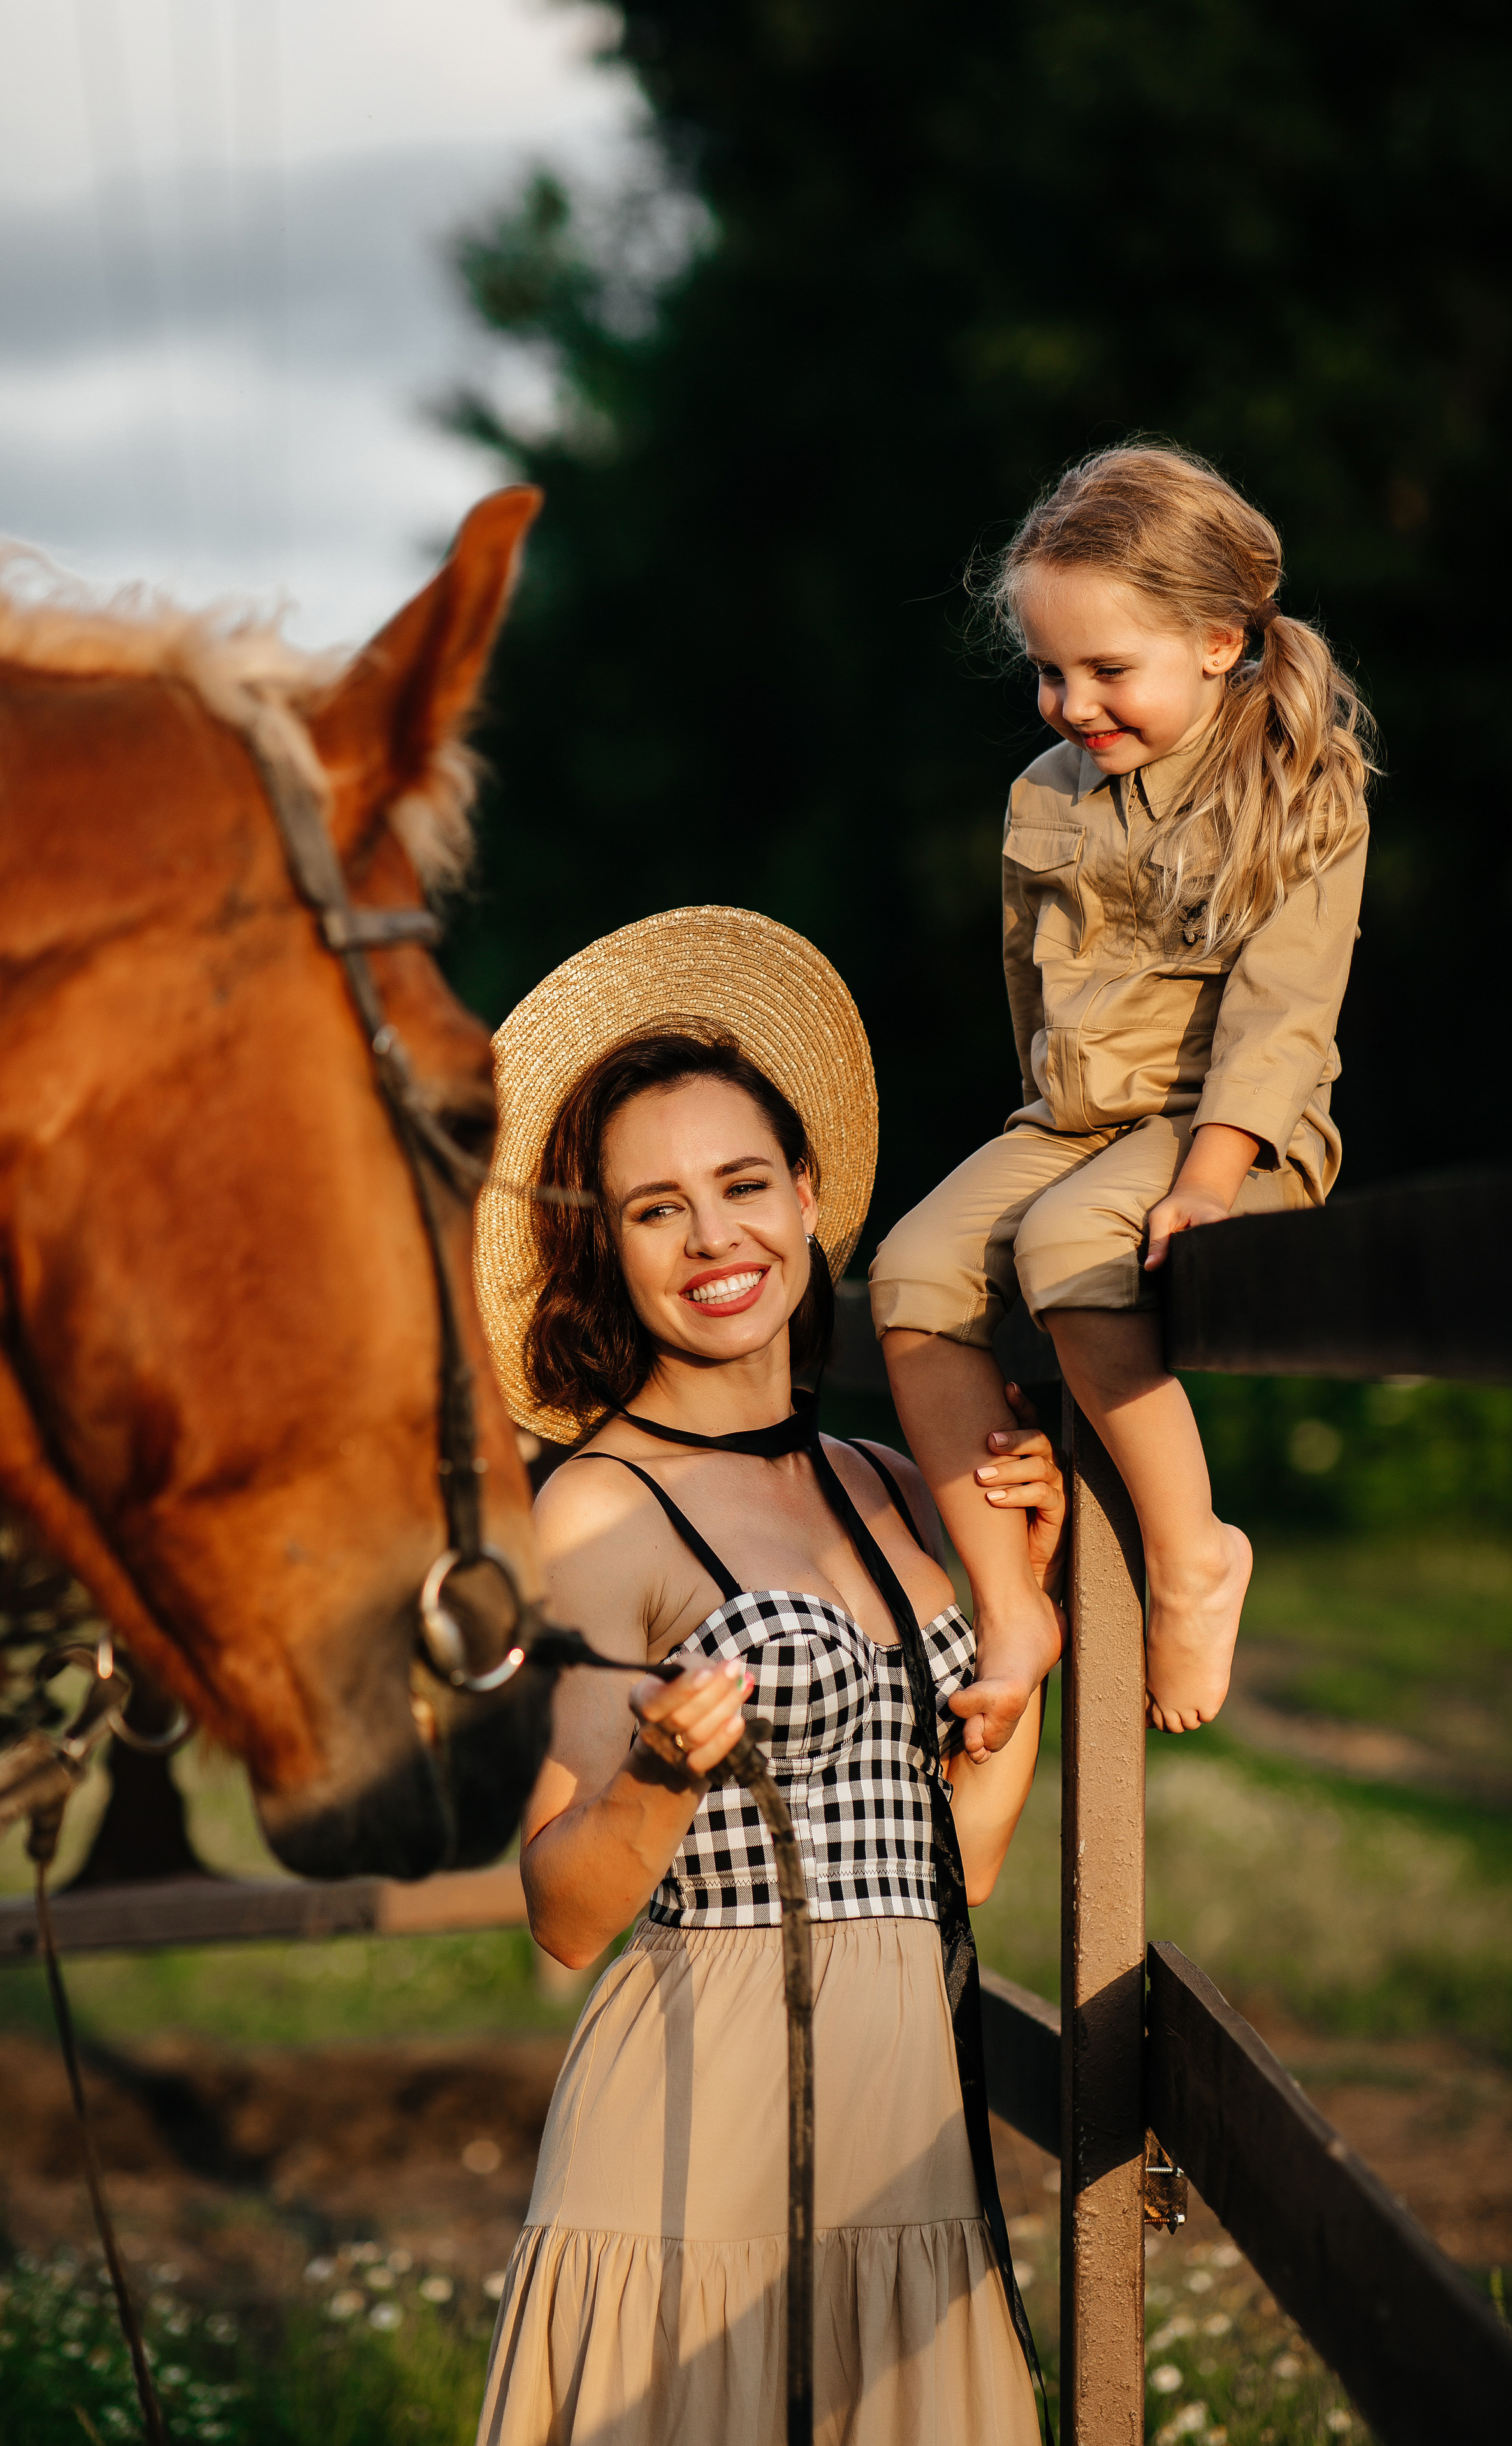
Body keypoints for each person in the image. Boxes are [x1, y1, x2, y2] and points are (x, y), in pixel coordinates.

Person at [471, 905, 1062, 2445]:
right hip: (691, 2163)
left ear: (808, 1198)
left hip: (906, 2149)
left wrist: (1028, 1609)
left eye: (742, 1186)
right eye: (654, 1208)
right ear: (605, 1244)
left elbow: (965, 1861)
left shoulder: (892, 1479)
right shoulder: (600, 1507)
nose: (715, 1239)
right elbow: (559, 1913)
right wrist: (660, 1782)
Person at [870, 444, 1373, 1754]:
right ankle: (1007, 1600)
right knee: (913, 1269)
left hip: (1227, 1135)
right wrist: (1025, 1132)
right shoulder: (1040, 796)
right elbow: (1022, 991)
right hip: (1068, 1125)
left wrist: (1207, 1183)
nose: (1067, 701)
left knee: (1068, 1242)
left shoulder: (1299, 788)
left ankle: (1190, 1549)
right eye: (1047, 670)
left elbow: (1279, 1017)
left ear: (1216, 643)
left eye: (1106, 670)